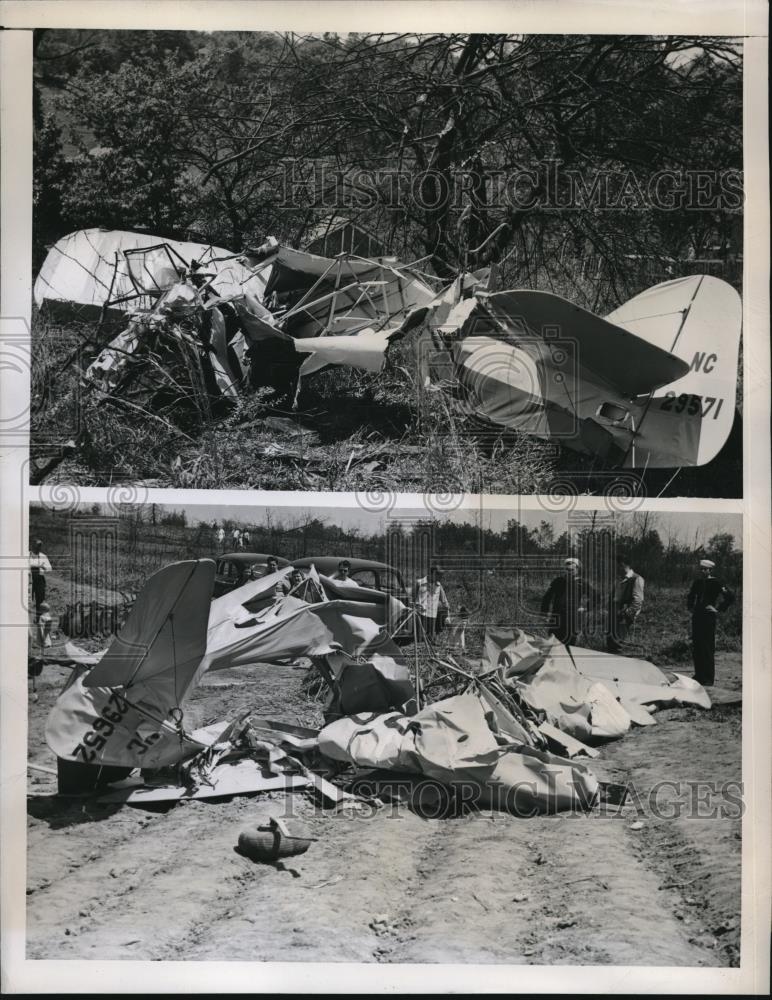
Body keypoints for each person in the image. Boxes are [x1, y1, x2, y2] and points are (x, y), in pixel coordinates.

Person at [687, 559, 735, 687]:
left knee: (707, 647)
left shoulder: (716, 583)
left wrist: (718, 609)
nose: (703, 571)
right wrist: (691, 607)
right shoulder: (697, 582)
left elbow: (730, 597)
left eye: (705, 569)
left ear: (710, 570)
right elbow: (690, 596)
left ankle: (708, 678)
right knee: (697, 646)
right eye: (701, 569)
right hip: (697, 617)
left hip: (708, 618)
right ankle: (699, 676)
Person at [540, 558, 595, 645]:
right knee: (553, 645)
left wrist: (585, 608)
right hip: (556, 618)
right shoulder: (558, 581)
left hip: (571, 620)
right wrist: (544, 613)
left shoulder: (582, 583)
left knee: (569, 646)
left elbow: (596, 597)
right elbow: (547, 597)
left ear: (577, 569)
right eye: (567, 569)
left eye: (572, 570)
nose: (569, 572)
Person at [606, 554, 645, 653]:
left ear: (624, 565)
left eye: (618, 565)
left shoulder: (636, 579)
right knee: (610, 643)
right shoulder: (619, 579)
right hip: (614, 614)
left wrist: (626, 614)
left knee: (618, 644)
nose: (616, 567)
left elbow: (637, 601)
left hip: (623, 616)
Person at [413, 565, 450, 642]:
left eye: (440, 575)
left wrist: (448, 616)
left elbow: (445, 602)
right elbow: (412, 598)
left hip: (432, 615)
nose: (440, 577)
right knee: (419, 639)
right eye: (438, 575)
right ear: (432, 574)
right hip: (420, 614)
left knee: (431, 639)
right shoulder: (419, 583)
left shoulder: (439, 586)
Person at [29, 539, 52, 619]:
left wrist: (45, 568)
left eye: (39, 547)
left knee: (40, 600)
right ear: (32, 546)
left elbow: (49, 568)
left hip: (40, 579)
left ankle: (39, 619)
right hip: (28, 580)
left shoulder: (43, 556)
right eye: (36, 547)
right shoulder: (27, 555)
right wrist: (38, 566)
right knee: (28, 599)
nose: (37, 549)